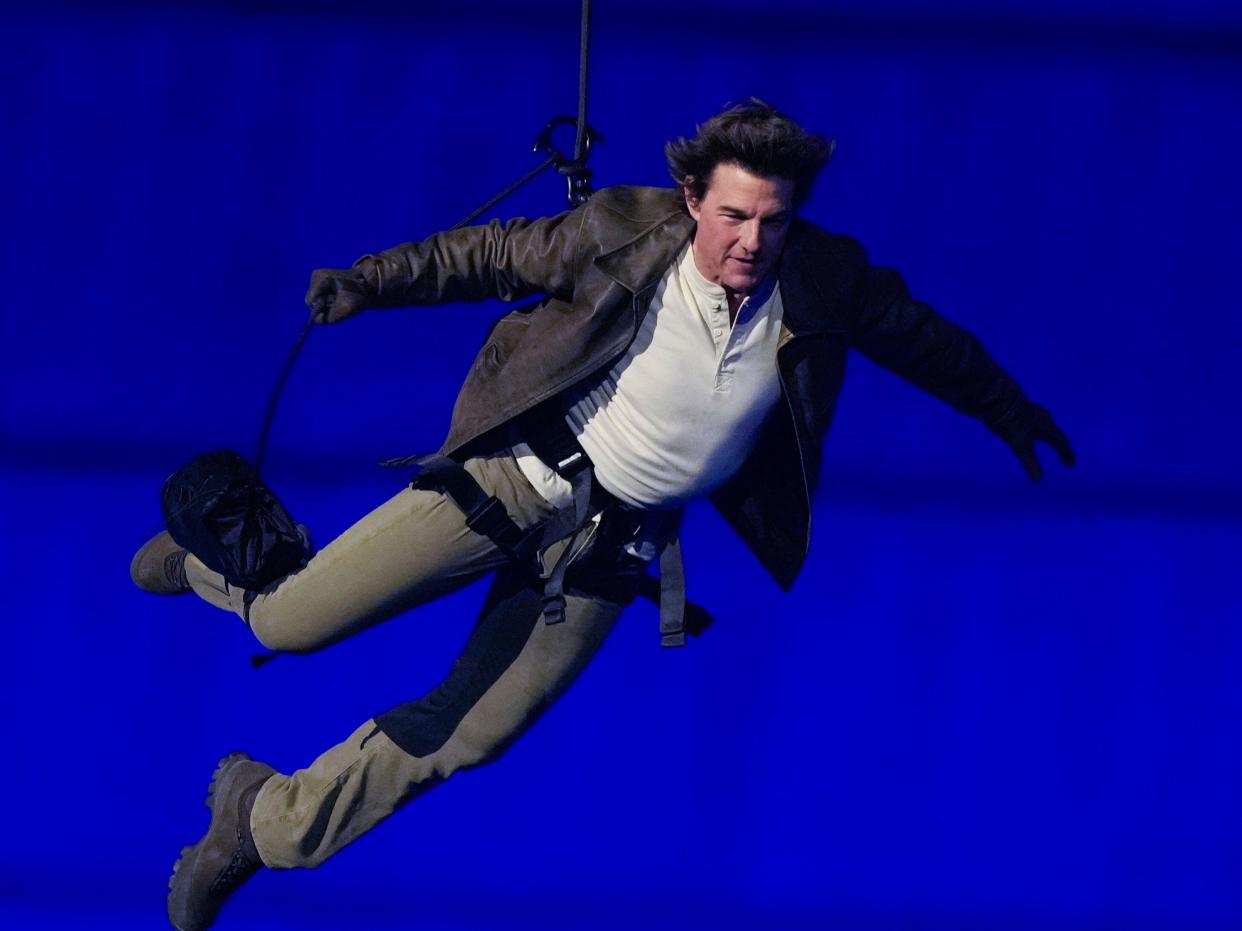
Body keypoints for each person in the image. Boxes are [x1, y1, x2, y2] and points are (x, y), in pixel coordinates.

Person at [133, 99, 1074, 930]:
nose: (751, 240)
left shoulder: (821, 278)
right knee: (290, 620)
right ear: (693, 198)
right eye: (734, 214)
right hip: (512, 483)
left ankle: (262, 823)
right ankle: (206, 568)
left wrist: (1007, 408)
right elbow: (492, 254)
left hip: (614, 544)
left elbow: (921, 336)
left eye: (772, 221)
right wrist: (370, 281)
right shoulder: (626, 229)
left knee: (478, 729)